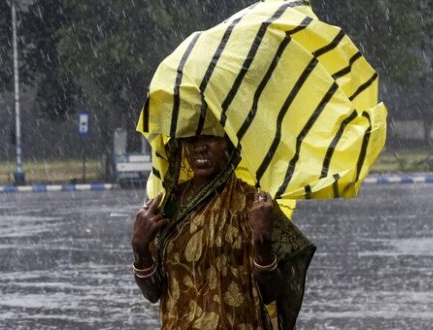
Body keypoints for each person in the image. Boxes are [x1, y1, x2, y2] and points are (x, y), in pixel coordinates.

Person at [131, 134, 315, 329]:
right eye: (191, 139)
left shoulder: (254, 204)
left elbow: (272, 292)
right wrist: (140, 247)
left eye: (211, 137)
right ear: (182, 145)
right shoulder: (168, 206)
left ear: (230, 143)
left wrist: (263, 242)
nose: (200, 148)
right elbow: (152, 292)